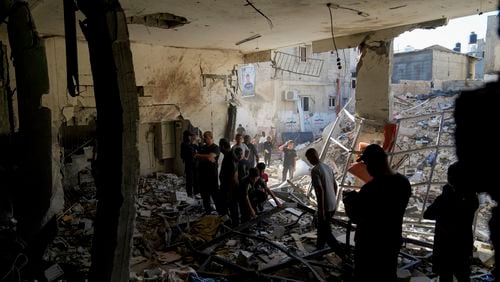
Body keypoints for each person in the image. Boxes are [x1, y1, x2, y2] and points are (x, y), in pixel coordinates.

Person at [343, 144, 412, 282]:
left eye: (367, 163)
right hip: (391, 241)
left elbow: (356, 217)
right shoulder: (404, 182)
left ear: (375, 163)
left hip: (370, 246)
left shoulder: (371, 189)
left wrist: (348, 202)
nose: (366, 168)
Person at [423, 162, 478, 282]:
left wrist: (445, 195)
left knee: (445, 276)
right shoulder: (472, 198)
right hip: (463, 245)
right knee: (463, 276)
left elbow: (427, 214)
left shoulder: (446, 199)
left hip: (445, 246)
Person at [305, 148, 343, 254]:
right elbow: (335, 186)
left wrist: (321, 209)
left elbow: (320, 190)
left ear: (312, 157)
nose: (309, 161)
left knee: (326, 233)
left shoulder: (315, 170)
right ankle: (319, 250)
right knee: (322, 229)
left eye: (308, 158)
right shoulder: (328, 168)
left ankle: (342, 254)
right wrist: (332, 199)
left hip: (325, 207)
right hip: (332, 205)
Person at [195, 131, 223, 215]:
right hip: (202, 175)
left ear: (211, 138)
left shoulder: (215, 147)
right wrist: (205, 157)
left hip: (211, 176)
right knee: (205, 196)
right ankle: (208, 214)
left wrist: (198, 156)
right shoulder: (203, 147)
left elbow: (210, 157)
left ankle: (220, 214)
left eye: (206, 137)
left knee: (215, 196)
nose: (204, 139)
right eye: (204, 137)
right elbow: (207, 158)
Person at [219, 138, 238, 222]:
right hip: (226, 186)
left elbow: (233, 175)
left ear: (222, 146)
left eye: (220, 146)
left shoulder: (230, 156)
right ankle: (229, 222)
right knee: (227, 205)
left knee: (231, 205)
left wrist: (229, 191)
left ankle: (234, 225)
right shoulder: (228, 155)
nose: (219, 148)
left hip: (229, 187)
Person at [180, 130, 198, 197]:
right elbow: (183, 155)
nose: (191, 137)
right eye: (190, 136)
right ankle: (189, 194)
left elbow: (198, 150)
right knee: (190, 180)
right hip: (189, 165)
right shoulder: (184, 144)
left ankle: (196, 194)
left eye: (191, 136)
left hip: (195, 165)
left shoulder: (193, 144)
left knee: (196, 180)